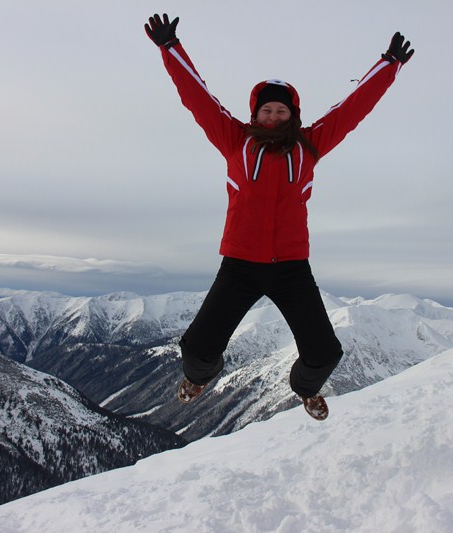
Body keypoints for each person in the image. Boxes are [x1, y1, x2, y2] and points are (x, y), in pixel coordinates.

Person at [144, 13, 414, 421]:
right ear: (255, 113)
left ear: (293, 115)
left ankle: (305, 388)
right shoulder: (235, 140)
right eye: (266, 110)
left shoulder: (309, 146)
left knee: (325, 353)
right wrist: (170, 48)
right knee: (197, 349)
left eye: (281, 111)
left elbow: (352, 109)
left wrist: (388, 64)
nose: (273, 117)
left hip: (291, 268)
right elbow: (198, 97)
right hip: (239, 266)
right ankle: (199, 378)